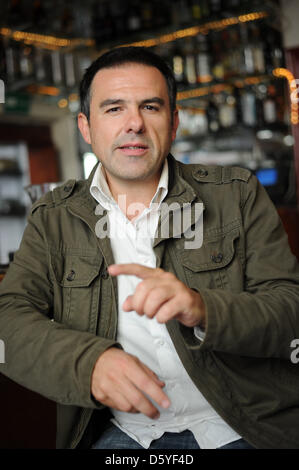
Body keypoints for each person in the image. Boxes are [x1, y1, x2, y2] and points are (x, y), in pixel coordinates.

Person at [1, 46, 299, 450]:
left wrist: (203, 308)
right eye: (114, 109)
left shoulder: (237, 193)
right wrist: (87, 364)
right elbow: (7, 318)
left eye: (151, 107)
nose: (134, 124)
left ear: (173, 123)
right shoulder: (53, 217)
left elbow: (290, 309)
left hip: (243, 424)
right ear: (86, 128)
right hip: (126, 434)